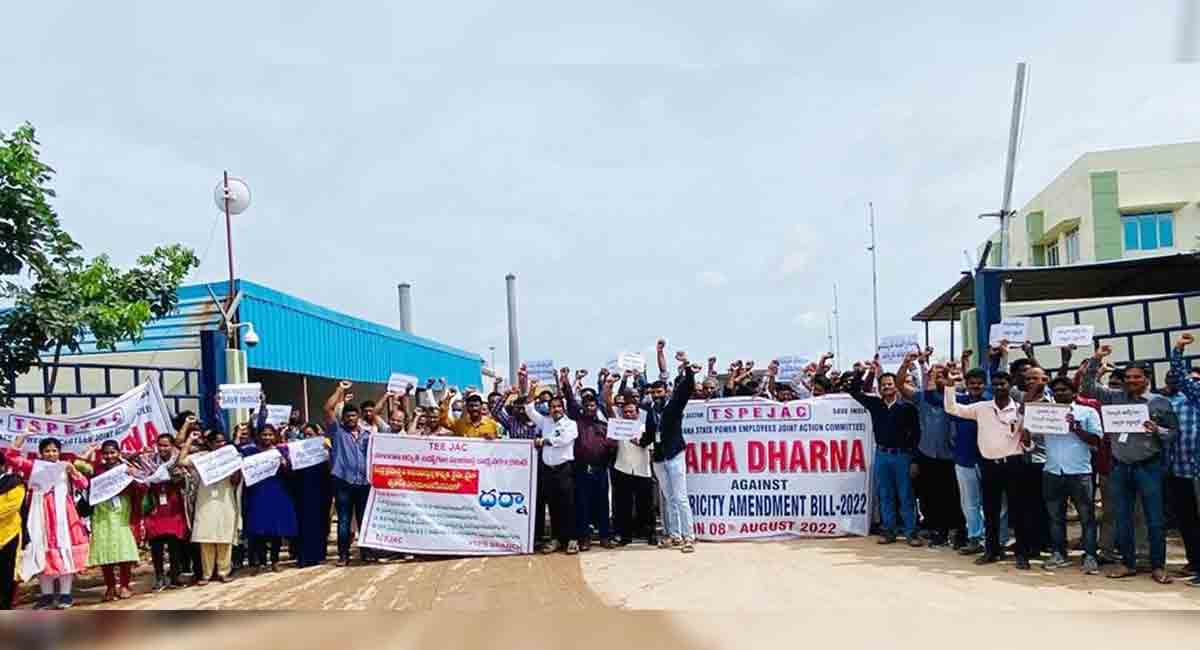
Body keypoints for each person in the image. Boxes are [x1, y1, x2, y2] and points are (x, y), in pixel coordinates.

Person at [1080, 346, 1178, 584]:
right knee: (1121, 517)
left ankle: (1158, 566)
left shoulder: (1160, 403)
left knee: (1153, 518)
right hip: (1120, 466)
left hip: (1149, 466)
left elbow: (1174, 433)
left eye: (1137, 377)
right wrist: (1096, 359)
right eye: (1128, 377)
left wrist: (1158, 430)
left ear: (1147, 378)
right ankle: (1127, 563)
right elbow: (1088, 387)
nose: (1132, 381)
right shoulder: (1114, 397)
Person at [944, 369, 1038, 569]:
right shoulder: (981, 408)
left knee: (1017, 512)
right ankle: (992, 551)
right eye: (994, 384)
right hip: (989, 465)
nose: (998, 387)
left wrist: (1028, 441)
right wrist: (950, 385)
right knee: (990, 511)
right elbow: (952, 408)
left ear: (1009, 385)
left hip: (1014, 464)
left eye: (1002, 384)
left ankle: (1022, 555)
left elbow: (1030, 445)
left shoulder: (1021, 410)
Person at [4, 433, 91, 609]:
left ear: (59, 452)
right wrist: (24, 435)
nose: (51, 454)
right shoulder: (34, 467)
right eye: (47, 451)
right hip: (40, 516)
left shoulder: (65, 467)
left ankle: (65, 595)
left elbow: (84, 484)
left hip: (65, 517)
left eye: (54, 450)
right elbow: (11, 457)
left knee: (65, 552)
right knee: (40, 551)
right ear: (40, 453)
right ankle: (47, 595)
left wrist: (74, 471)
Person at [1027, 377, 1102, 574]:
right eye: (1056, 391)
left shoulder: (1087, 412)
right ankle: (1059, 554)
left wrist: (1076, 428)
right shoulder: (1046, 413)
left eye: (1064, 390)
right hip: (1052, 471)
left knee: (1087, 517)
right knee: (1055, 517)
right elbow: (1033, 437)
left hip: (1080, 472)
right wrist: (1027, 432)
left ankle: (1090, 556)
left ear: (1073, 392)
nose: (1060, 393)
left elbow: (1096, 441)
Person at [849, 358, 923, 547]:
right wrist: (863, 372)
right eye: (883, 385)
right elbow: (854, 392)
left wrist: (914, 460)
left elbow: (916, 435)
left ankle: (911, 532)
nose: (887, 387)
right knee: (885, 494)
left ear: (896, 387)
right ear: (879, 387)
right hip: (882, 455)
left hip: (903, 456)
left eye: (890, 384)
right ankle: (888, 530)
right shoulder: (875, 405)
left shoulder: (908, 408)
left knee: (906, 495)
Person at [898, 351, 964, 548]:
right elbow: (900, 385)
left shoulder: (959, 398)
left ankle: (959, 531)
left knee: (954, 496)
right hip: (928, 455)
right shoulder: (923, 397)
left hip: (951, 456)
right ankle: (939, 531)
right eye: (938, 375)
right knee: (932, 496)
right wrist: (905, 363)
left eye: (945, 374)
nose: (941, 378)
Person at [947, 362, 1008, 556]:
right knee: (970, 503)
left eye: (980, 383)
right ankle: (975, 538)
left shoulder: (992, 401)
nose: (976, 386)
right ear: (966, 383)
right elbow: (948, 406)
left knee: (999, 504)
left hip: (990, 459)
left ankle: (1000, 539)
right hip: (964, 459)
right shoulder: (959, 402)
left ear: (985, 384)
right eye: (972, 383)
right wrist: (949, 385)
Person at [642, 350, 699, 553]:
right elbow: (649, 435)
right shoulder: (650, 412)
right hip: (659, 458)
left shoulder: (674, 405)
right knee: (668, 498)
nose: (656, 396)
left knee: (681, 497)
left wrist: (688, 367)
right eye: (653, 393)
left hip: (675, 454)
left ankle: (689, 537)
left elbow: (687, 389)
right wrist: (639, 442)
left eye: (659, 392)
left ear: (666, 391)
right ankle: (674, 535)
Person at [520, 366, 580, 554]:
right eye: (552, 407)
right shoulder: (545, 421)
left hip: (564, 469)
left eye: (558, 407)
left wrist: (544, 441)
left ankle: (571, 539)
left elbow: (563, 441)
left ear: (563, 409)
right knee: (553, 506)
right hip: (548, 470)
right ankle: (556, 539)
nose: (555, 410)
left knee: (568, 505)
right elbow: (529, 409)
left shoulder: (571, 424)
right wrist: (531, 388)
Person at [562, 369, 618, 550]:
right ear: (583, 407)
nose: (590, 408)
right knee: (582, 504)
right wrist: (564, 380)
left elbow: (612, 444)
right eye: (587, 405)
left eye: (593, 405)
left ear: (596, 406)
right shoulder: (576, 421)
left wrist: (610, 450)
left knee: (602, 503)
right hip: (580, 469)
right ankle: (584, 538)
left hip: (600, 469)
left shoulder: (604, 425)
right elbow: (570, 400)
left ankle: (604, 536)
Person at [178, 429, 242, 585]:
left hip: (225, 500)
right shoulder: (202, 457)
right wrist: (189, 441)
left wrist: (235, 467)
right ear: (210, 443)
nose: (220, 444)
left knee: (224, 537)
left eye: (223, 441)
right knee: (205, 537)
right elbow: (182, 462)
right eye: (217, 441)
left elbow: (235, 481)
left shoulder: (231, 457)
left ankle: (223, 572)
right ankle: (206, 574)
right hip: (205, 501)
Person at [324, 381, 374, 566]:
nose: (351, 419)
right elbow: (328, 408)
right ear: (343, 418)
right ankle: (343, 555)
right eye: (348, 416)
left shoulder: (367, 435)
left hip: (363, 483)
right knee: (344, 521)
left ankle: (366, 553)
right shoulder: (337, 431)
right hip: (343, 482)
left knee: (363, 519)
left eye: (354, 416)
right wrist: (340, 389)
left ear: (358, 417)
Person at [240, 423, 299, 573]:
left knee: (276, 529)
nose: (267, 437)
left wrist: (285, 464)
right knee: (259, 529)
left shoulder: (281, 451)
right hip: (257, 492)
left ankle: (275, 560)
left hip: (277, 491)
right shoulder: (249, 451)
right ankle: (260, 561)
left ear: (275, 436)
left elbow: (291, 473)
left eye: (270, 434)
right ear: (258, 436)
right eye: (264, 434)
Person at [88, 439, 142, 602]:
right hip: (102, 513)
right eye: (106, 453)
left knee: (123, 550)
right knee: (105, 551)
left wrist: (133, 476)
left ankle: (124, 585)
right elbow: (81, 470)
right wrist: (89, 451)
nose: (109, 456)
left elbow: (142, 488)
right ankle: (110, 586)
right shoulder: (97, 471)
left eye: (113, 452)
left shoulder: (126, 469)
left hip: (122, 512)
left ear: (118, 453)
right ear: (102, 455)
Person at [1167, 334, 1200, 585]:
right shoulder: (1179, 402)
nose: (1193, 384)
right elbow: (1179, 374)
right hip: (1182, 469)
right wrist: (1178, 349)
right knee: (1187, 521)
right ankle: (1195, 563)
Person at [142, 432, 189, 592]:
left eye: (166, 445)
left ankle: (175, 576)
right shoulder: (148, 462)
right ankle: (159, 577)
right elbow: (141, 479)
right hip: (155, 509)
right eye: (160, 445)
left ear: (172, 446)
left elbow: (183, 480)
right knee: (156, 545)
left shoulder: (178, 461)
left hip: (173, 507)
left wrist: (174, 475)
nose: (163, 448)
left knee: (175, 544)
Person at [609, 396, 656, 546]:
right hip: (622, 469)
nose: (629, 414)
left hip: (643, 471)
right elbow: (608, 408)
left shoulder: (645, 428)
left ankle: (650, 533)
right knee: (624, 506)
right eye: (626, 412)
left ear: (638, 413)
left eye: (632, 412)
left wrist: (640, 442)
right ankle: (625, 536)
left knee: (646, 507)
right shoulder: (618, 427)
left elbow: (651, 449)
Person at [290, 423, 333, 568]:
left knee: (320, 523)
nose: (307, 437)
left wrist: (327, 451)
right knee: (304, 524)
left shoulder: (324, 449)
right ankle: (304, 556)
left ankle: (319, 554)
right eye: (305, 434)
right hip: (302, 492)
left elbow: (330, 468)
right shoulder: (297, 450)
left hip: (321, 491)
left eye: (310, 434)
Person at [0, 449, 26, 610]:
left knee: (7, 574)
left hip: (9, 534)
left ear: (2, 466)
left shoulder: (14, 482)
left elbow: (11, 507)